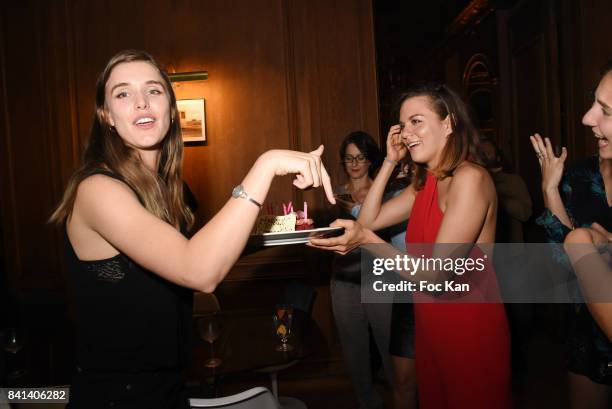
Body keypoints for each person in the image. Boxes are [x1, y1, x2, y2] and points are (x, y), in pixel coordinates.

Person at [49, 49, 334, 409]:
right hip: (117, 396)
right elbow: (198, 270)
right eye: (123, 93)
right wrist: (267, 164)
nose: (140, 103)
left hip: (167, 387)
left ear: (170, 107)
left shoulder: (165, 189)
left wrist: (284, 232)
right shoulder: (97, 190)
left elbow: (195, 252)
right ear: (106, 115)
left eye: (153, 91)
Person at [311, 82, 511, 408]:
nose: (405, 133)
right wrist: (389, 162)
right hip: (430, 327)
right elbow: (369, 219)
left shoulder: (470, 179)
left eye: (416, 121)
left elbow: (436, 276)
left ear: (448, 123)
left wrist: (366, 242)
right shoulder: (426, 182)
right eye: (403, 125)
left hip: (468, 331)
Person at [531, 60, 612, 408]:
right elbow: (562, 259)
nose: (587, 118)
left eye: (605, 110)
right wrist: (550, 190)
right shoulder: (578, 173)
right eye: (594, 102)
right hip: (587, 332)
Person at [330, 131, 394, 409]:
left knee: (389, 346)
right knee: (354, 350)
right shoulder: (333, 194)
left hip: (378, 276)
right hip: (344, 278)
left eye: (361, 157)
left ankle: (402, 399)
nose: (355, 163)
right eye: (349, 158)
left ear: (371, 161)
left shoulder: (385, 193)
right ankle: (368, 403)